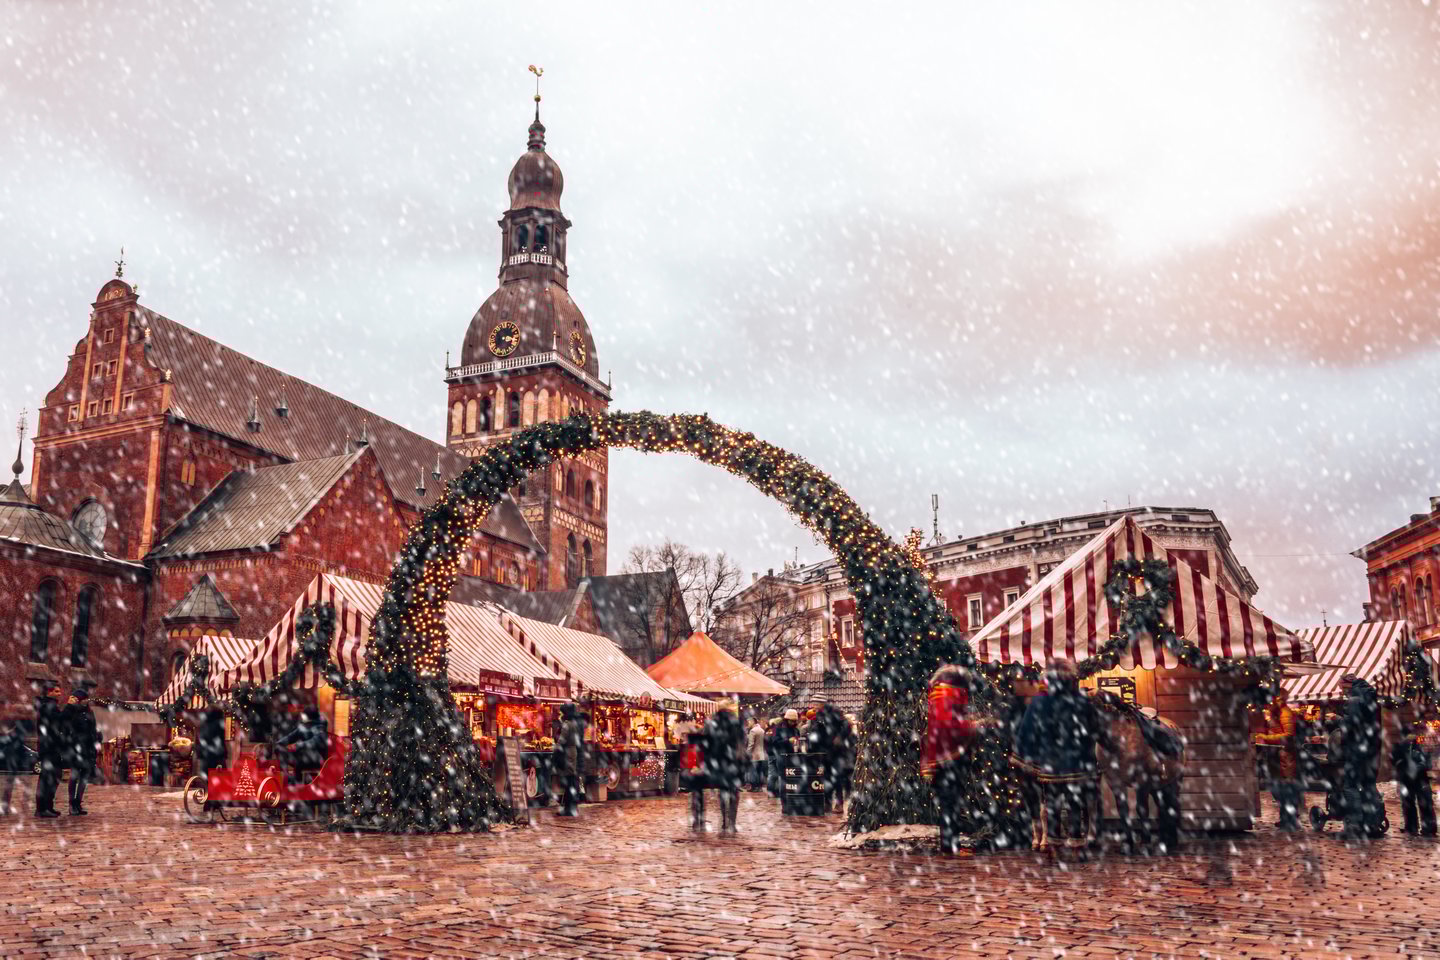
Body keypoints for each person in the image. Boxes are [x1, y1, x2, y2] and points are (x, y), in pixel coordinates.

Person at [1014, 659, 1114, 852]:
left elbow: (1028, 730)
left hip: (1050, 763)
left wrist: (1026, 755)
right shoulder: (1081, 700)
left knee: (1052, 801)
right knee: (1075, 800)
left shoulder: (1039, 701)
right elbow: (1094, 728)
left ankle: (1053, 841)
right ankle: (1076, 839)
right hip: (1078, 762)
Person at [923, 665, 982, 854]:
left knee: (950, 803)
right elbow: (951, 725)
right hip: (949, 761)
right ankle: (950, 846)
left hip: (943, 759)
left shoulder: (942, 698)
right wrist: (972, 725)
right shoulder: (946, 698)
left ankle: (950, 843)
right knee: (950, 803)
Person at [1338, 674, 1386, 842]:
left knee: (1350, 786)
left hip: (1357, 749)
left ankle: (1355, 825)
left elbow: (1351, 725)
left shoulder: (1354, 700)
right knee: (1369, 786)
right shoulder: (1371, 698)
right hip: (1372, 750)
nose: (1342, 692)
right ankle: (1374, 823)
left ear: (1347, 685)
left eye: (1342, 688)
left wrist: (1338, 721)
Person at [1253, 688, 1302, 831]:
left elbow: (1287, 736)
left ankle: (1290, 819)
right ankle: (1286, 817)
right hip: (1278, 755)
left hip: (1285, 757)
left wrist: (1265, 738)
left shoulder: (1285, 713)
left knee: (1285, 789)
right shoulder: (1277, 712)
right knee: (1280, 789)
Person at [697, 699, 745, 833]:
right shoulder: (736, 722)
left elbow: (704, 743)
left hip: (718, 762)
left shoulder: (711, 722)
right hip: (733, 762)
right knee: (734, 792)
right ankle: (732, 823)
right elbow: (742, 742)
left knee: (723, 791)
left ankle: (725, 821)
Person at [805, 696, 853, 813]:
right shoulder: (817, 716)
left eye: (816, 704)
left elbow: (847, 725)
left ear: (822, 703)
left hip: (835, 751)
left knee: (836, 778)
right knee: (825, 777)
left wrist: (840, 737)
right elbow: (817, 732)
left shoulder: (833, 712)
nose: (814, 706)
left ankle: (839, 803)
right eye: (813, 703)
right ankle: (827, 803)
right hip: (823, 751)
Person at [1391, 720, 1436, 836]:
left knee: (1420, 803)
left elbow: (1426, 761)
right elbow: (1395, 760)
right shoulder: (1403, 745)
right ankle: (1413, 827)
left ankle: (1424, 828)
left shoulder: (1418, 744)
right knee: (1410, 803)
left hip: (1417, 777)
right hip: (1409, 777)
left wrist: (1416, 768)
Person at [62, 682, 100, 816]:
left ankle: (78, 803)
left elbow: (93, 729)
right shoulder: (72, 712)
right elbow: (66, 729)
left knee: (84, 777)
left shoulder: (89, 712)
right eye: (84, 699)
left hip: (88, 748)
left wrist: (96, 742)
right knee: (74, 776)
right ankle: (72, 804)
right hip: (76, 748)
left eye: (86, 699)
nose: (86, 701)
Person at [33, 682, 66, 819]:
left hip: (52, 747)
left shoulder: (51, 706)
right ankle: (42, 809)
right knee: (47, 778)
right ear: (49, 692)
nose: (60, 694)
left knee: (54, 777)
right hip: (49, 748)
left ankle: (48, 806)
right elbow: (57, 723)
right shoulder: (48, 707)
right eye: (57, 691)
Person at [276, 707, 329, 782]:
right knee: (281, 752)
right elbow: (291, 737)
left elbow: (316, 741)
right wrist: (279, 743)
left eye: (303, 714)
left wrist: (299, 745)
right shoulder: (304, 726)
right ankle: (286, 777)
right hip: (304, 754)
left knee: (299, 760)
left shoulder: (320, 727)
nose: (302, 716)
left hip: (315, 757)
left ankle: (297, 780)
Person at [552, 702, 587, 817]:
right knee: (573, 780)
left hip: (568, 753)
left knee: (569, 781)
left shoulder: (567, 724)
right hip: (574, 752)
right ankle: (572, 806)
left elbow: (561, 741)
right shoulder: (577, 724)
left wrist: (556, 752)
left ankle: (569, 807)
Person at [0, 719, 37, 815]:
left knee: (11, 785)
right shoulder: (17, 735)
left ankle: (7, 806)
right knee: (14, 785)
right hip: (13, 761)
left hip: (13, 761)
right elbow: (17, 747)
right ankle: (8, 807)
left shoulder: (13, 734)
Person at [193, 709, 227, 783]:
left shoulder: (204, 727)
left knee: (208, 778)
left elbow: (202, 741)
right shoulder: (216, 725)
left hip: (208, 756)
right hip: (213, 756)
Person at [745, 717, 766, 792]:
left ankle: (754, 787)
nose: (748, 724)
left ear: (753, 722)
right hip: (761, 754)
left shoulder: (753, 731)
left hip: (754, 755)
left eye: (749, 722)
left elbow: (751, 744)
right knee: (760, 771)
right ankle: (760, 787)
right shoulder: (762, 730)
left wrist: (747, 754)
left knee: (753, 771)